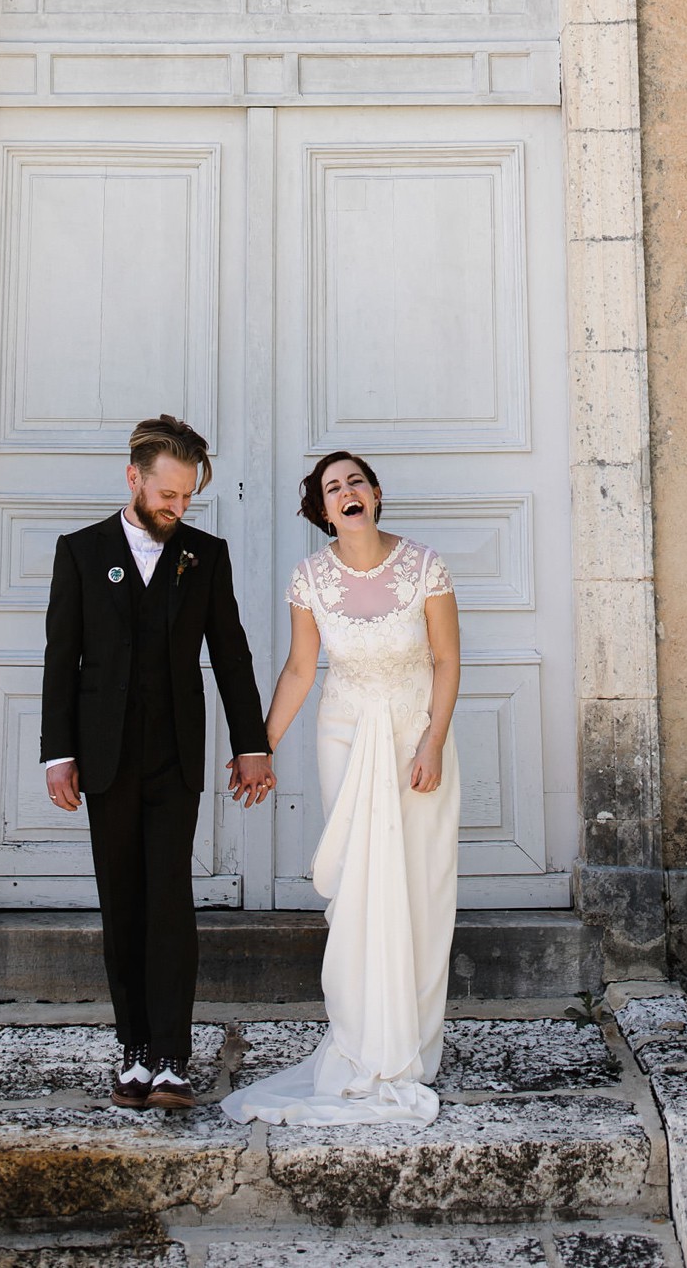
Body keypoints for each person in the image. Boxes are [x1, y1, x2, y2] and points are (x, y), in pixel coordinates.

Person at [40, 415, 275, 1111]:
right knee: (122, 901)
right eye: (167, 495)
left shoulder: (204, 556)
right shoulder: (81, 553)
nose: (177, 509)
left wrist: (251, 743)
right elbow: (61, 658)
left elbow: (230, 654)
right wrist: (59, 753)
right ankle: (133, 1048)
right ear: (134, 478)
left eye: (187, 499)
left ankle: (172, 1056)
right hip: (104, 756)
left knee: (169, 899)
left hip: (175, 753)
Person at [223, 449, 461, 1125]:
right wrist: (258, 748)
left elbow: (446, 658)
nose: (347, 491)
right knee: (359, 889)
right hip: (346, 736)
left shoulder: (424, 566)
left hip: (416, 734)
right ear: (323, 510)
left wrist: (433, 740)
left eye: (356, 480)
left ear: (376, 494)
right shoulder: (310, 579)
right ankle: (361, 1039)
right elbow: (301, 670)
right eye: (333, 487)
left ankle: (411, 1045)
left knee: (420, 884)